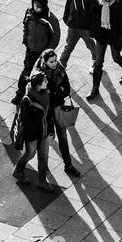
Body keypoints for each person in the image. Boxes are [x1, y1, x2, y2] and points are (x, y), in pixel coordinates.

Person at [35, 49, 81, 180]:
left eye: (55, 60)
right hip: (45, 113)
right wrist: (56, 92)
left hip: (58, 109)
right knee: (44, 140)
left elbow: (66, 89)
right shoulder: (39, 75)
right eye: (51, 62)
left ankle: (68, 165)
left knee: (63, 138)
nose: (55, 63)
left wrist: (53, 92)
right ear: (45, 62)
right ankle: (43, 166)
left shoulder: (60, 70)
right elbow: (41, 95)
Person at [12, 71, 58, 191]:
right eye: (45, 81)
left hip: (44, 131)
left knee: (43, 156)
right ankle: (18, 170)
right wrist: (33, 136)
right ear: (38, 84)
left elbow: (49, 114)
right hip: (32, 135)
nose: (47, 82)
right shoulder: (26, 100)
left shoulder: (46, 94)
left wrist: (51, 129)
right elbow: (25, 121)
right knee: (30, 154)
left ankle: (42, 182)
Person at [12, 0, 60, 103]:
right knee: (26, 71)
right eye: (34, 5)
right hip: (30, 49)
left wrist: (47, 52)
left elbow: (56, 36)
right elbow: (25, 25)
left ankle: (39, 95)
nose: (36, 8)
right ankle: (20, 93)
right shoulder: (29, 12)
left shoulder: (51, 19)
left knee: (41, 74)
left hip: (42, 52)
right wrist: (26, 39)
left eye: (38, 6)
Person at [89, 0, 122, 99]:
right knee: (98, 62)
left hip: (114, 37)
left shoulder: (121, 5)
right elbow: (93, 17)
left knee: (116, 58)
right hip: (101, 36)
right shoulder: (99, 2)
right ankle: (95, 88)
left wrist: (120, 43)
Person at [59, 0, 99, 73]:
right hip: (73, 25)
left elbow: (95, 13)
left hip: (86, 27)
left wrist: (93, 27)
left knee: (91, 46)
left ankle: (97, 62)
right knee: (68, 47)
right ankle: (61, 66)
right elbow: (68, 4)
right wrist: (66, 18)